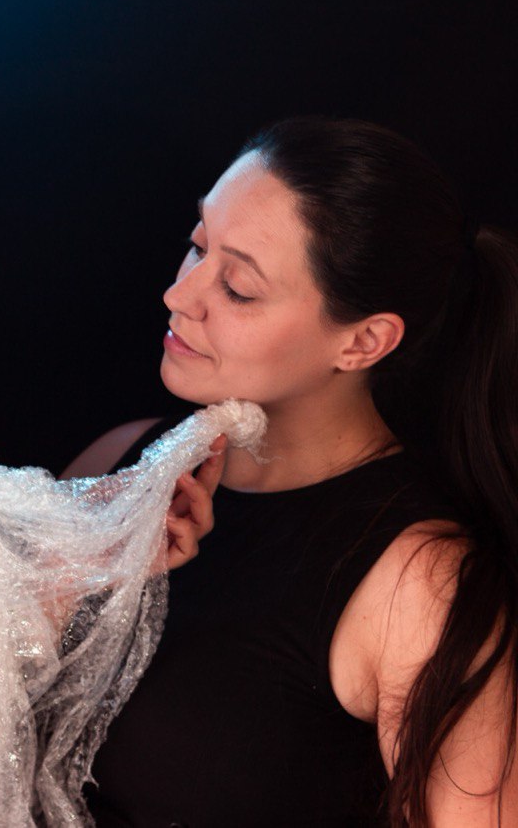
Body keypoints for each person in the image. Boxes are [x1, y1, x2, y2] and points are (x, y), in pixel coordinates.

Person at [61, 118, 518, 826]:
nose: (180, 295)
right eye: (198, 245)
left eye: (238, 286)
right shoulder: (114, 463)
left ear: (363, 341)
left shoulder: (419, 584)